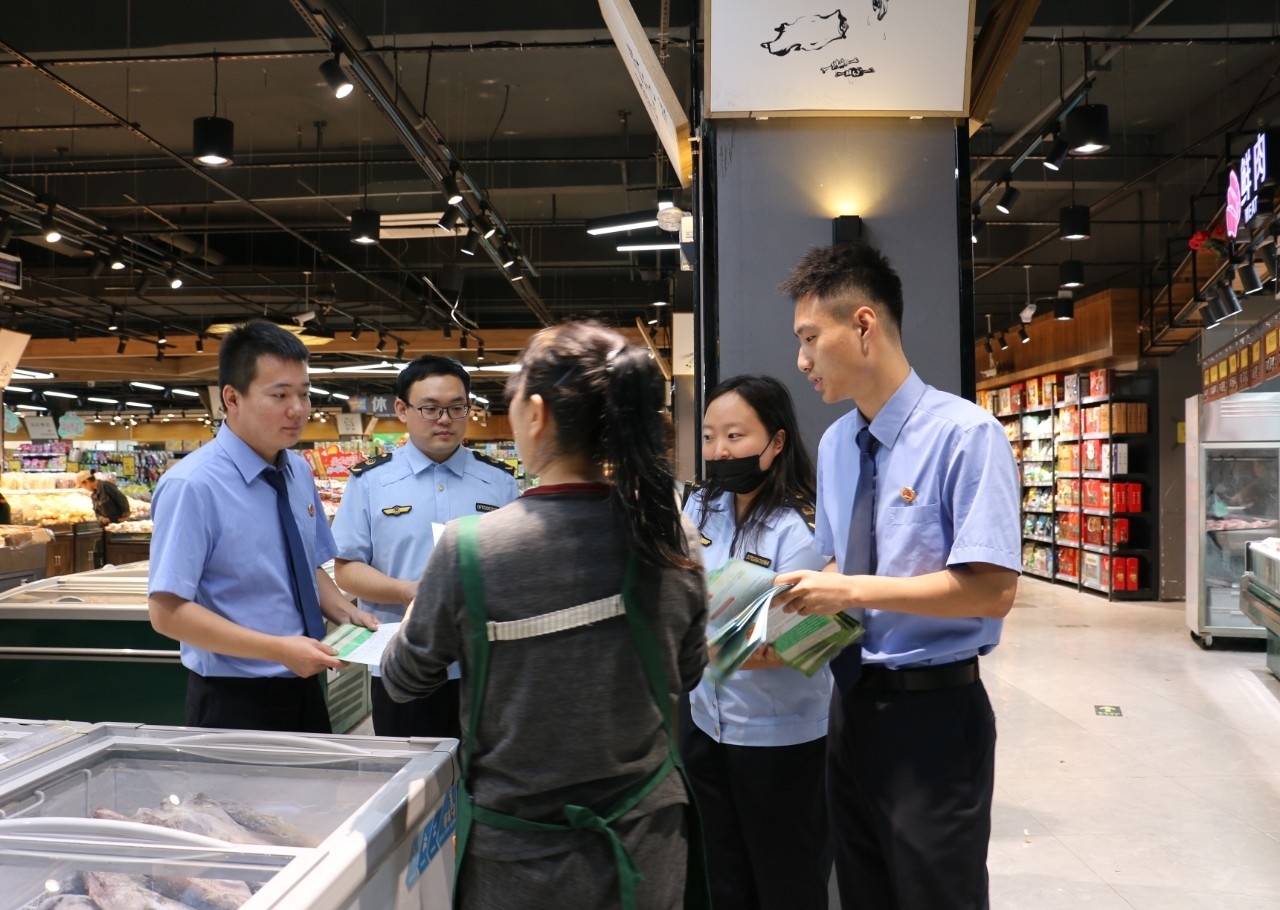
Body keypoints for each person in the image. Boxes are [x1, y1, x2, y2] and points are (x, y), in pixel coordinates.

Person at [381, 321, 709, 910]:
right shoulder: (671, 535)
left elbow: (405, 679)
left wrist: (420, 618)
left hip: (520, 859)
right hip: (644, 848)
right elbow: (686, 673)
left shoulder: (470, 549)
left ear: (535, 414)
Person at [772, 242, 1021, 910]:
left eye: (809, 338)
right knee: (862, 891)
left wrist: (847, 588)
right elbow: (836, 563)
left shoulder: (966, 436)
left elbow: (992, 591)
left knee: (937, 896)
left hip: (934, 716)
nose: (802, 361)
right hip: (850, 706)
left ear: (862, 326)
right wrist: (781, 620)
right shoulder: (833, 447)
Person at [147, 319, 378, 734]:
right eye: (280, 395)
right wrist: (277, 649)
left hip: (304, 684)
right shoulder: (193, 486)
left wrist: (343, 611)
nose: (298, 409)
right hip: (232, 698)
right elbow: (167, 613)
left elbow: (306, 566)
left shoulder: (297, 472)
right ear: (231, 398)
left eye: (304, 394)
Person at [682, 374, 831, 910]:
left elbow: (798, 642)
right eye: (708, 436)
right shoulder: (701, 508)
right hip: (704, 725)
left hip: (778, 739)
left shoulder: (804, 526)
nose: (719, 451)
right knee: (722, 879)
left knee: (787, 881)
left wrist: (685, 652)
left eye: (735, 436)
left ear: (777, 441)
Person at [332, 354, 519, 739]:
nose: (445, 419)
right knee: (409, 786)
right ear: (402, 409)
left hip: (482, 665)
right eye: (430, 408)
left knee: (482, 782)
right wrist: (412, 592)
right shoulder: (370, 482)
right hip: (401, 666)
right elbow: (348, 569)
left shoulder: (498, 482)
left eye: (456, 407)